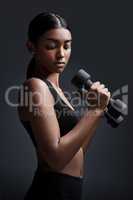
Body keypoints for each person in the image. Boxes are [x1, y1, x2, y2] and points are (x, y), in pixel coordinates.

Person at [17, 12, 111, 200]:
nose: (61, 54)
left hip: (70, 189)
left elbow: (78, 152)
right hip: (51, 190)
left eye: (66, 46)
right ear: (32, 47)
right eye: (51, 46)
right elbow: (56, 159)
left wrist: (96, 113)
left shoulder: (59, 92)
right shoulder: (35, 87)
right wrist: (95, 110)